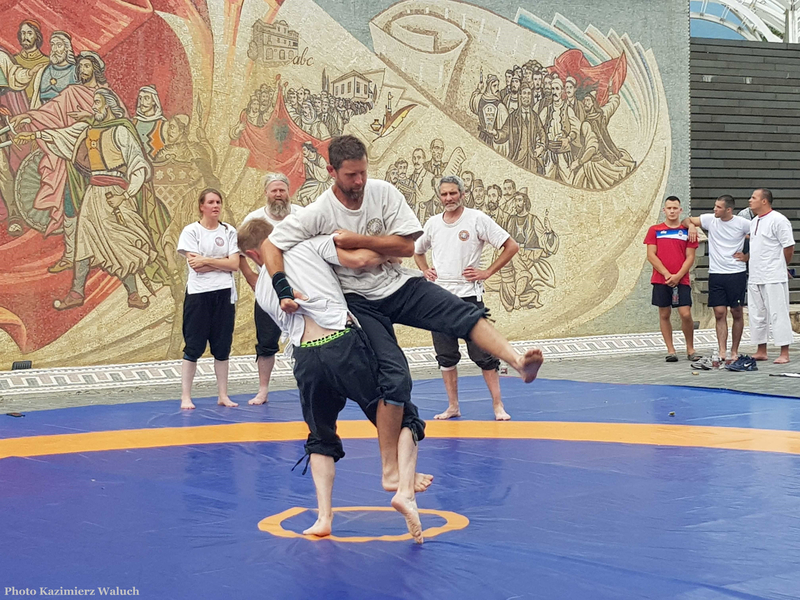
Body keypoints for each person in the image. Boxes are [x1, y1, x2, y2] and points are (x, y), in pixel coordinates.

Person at [263, 135, 543, 528]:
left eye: (363, 172)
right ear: (331, 173)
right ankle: (390, 471)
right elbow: (272, 246)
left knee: (459, 312)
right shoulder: (317, 213)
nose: (359, 181)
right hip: (359, 305)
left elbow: (407, 246)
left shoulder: (383, 193)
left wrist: (361, 241)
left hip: (397, 286)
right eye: (350, 175)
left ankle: (516, 360)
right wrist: (282, 287)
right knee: (395, 379)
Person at [238, 218, 431, 542]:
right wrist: (391, 252)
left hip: (306, 360)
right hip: (341, 346)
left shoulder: (261, 290)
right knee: (401, 410)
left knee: (320, 436)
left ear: (254, 255)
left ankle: (323, 517)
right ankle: (398, 480)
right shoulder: (308, 253)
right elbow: (355, 260)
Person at [414, 175, 519, 421]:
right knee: (446, 356)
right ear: (438, 196)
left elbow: (511, 245)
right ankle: (453, 406)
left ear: (462, 194)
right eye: (444, 194)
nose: (448, 198)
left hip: (469, 298)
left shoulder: (477, 219)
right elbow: (417, 250)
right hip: (439, 299)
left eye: (453, 193)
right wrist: (424, 269)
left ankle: (498, 405)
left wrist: (487, 272)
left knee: (483, 355)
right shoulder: (432, 223)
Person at [239, 173, 300, 406]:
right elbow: (238, 251)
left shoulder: (301, 215)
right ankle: (263, 389)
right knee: (266, 341)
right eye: (274, 190)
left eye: (282, 190)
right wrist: (250, 276)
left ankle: (308, 385)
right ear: (266, 193)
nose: (278, 195)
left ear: (288, 192)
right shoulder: (254, 219)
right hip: (267, 288)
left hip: (299, 285)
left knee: (304, 337)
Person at [177, 188, 240, 410]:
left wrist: (208, 260)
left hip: (224, 292)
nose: (216, 206)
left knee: (222, 346)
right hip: (198, 294)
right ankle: (186, 396)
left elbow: (234, 265)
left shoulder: (229, 231)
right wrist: (219, 260)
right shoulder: (191, 231)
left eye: (218, 202)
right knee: (193, 345)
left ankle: (223, 394)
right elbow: (196, 266)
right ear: (201, 206)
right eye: (211, 202)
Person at [683, 195, 750, 364]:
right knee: (719, 312)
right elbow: (686, 220)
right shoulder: (710, 220)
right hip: (716, 273)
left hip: (736, 273)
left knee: (736, 311)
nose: (715, 209)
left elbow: (761, 238)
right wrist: (691, 226)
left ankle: (734, 350)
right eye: (715, 206)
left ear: (728, 209)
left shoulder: (742, 223)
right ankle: (722, 349)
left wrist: (748, 256)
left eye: (719, 207)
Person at [644, 196, 700, 362]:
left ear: (680, 210)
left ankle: (690, 349)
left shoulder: (688, 232)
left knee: (685, 313)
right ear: (664, 210)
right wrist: (667, 274)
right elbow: (651, 255)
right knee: (664, 313)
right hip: (661, 279)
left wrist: (678, 275)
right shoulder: (655, 230)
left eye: (675, 208)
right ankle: (671, 350)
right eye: (669, 208)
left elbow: (690, 257)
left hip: (681, 280)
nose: (672, 211)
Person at [744, 188, 795, 364]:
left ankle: (784, 352)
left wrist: (782, 266)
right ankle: (761, 350)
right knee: (757, 313)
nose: (750, 200)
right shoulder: (754, 221)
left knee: (778, 313)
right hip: (756, 274)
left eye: (754, 197)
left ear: (764, 201)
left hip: (774, 275)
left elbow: (788, 246)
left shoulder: (779, 220)